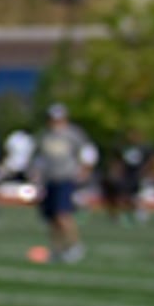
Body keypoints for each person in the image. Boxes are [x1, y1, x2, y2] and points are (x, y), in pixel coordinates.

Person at [29, 103, 92, 264]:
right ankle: (57, 248)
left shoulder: (73, 134)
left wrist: (84, 171)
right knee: (51, 217)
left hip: (66, 178)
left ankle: (73, 245)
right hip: (50, 179)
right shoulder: (44, 136)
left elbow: (87, 152)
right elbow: (37, 158)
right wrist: (36, 177)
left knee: (63, 214)